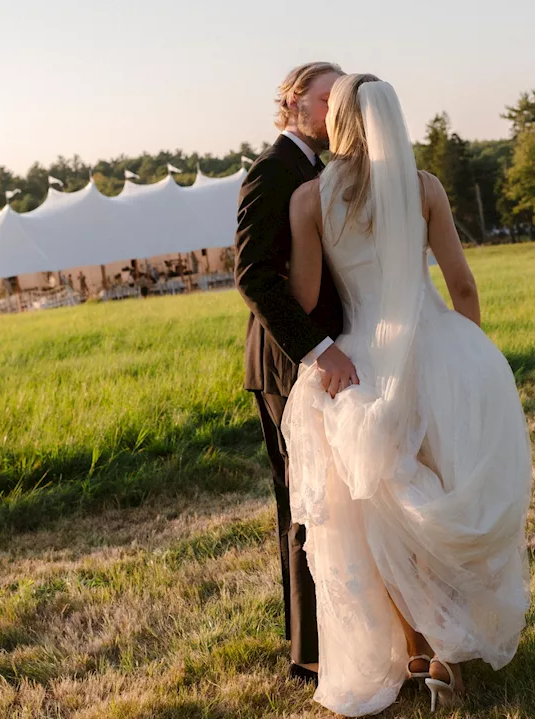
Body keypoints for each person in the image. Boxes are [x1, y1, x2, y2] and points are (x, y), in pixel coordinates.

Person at [281, 74, 532, 717]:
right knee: (439, 490)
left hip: (362, 366)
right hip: (435, 351)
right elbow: (463, 286)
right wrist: (469, 357)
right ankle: (450, 647)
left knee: (379, 511)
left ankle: (419, 649)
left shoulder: (310, 202)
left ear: (336, 122)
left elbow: (308, 303)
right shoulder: (424, 191)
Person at [234, 61, 352, 685]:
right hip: (287, 363)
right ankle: (308, 657)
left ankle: (327, 637)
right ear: (294, 101)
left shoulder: (317, 170)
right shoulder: (272, 170)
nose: (337, 108)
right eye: (327, 96)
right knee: (305, 504)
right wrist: (318, 349)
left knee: (327, 499)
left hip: (317, 356)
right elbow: (253, 277)